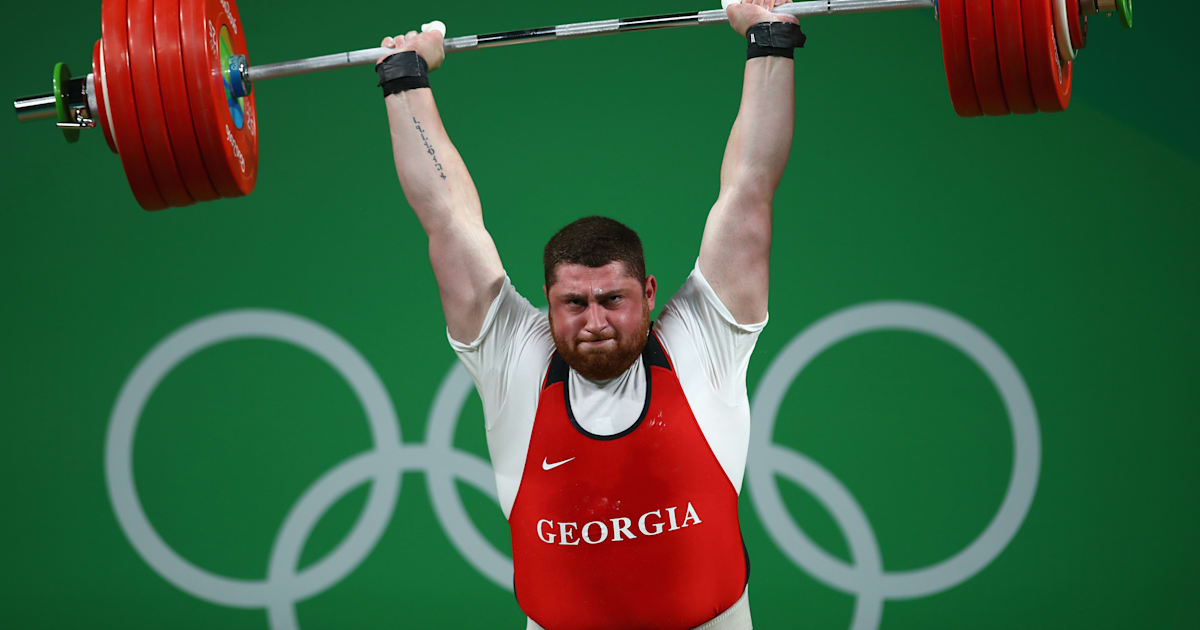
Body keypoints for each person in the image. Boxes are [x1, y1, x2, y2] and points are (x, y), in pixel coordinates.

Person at [377, 1, 800, 627]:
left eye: (613, 300)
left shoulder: (702, 337)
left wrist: (770, 42)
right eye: (574, 303)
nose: (595, 322)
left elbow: (750, 188)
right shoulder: (514, 357)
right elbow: (446, 217)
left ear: (649, 293)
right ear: (547, 301)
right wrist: (404, 78)